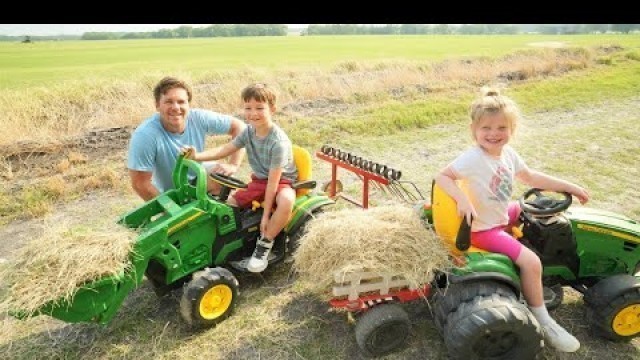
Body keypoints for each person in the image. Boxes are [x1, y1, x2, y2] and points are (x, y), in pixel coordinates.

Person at [434, 86, 589, 353]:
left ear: (511, 129)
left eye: (501, 127)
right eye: (487, 128)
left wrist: (569, 186)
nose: (494, 134)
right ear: (475, 130)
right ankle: (543, 317)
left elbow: (530, 177)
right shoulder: (473, 158)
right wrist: (461, 198)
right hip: (483, 228)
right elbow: (443, 177)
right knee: (531, 261)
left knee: (540, 210)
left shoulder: (509, 155)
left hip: (501, 211)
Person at [182, 83, 298, 273]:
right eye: (248, 108)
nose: (253, 113)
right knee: (226, 205)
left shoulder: (279, 143)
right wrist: (197, 156)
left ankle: (265, 243)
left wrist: (266, 217)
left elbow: (273, 183)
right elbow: (226, 149)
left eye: (260, 108)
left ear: (273, 109)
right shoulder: (249, 132)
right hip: (260, 179)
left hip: (281, 180)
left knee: (286, 201)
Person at [127, 76, 246, 201]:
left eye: (181, 102)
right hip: (169, 193)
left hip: (196, 179)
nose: (176, 107)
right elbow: (140, 184)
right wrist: (170, 209)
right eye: (169, 102)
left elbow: (240, 128)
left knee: (223, 178)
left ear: (188, 104)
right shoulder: (145, 135)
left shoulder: (199, 118)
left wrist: (233, 165)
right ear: (157, 105)